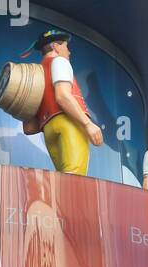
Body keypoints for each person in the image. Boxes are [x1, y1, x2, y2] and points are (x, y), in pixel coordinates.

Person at [20, 29, 103, 176]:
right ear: (56, 46)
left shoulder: (37, 73)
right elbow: (62, 96)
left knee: (63, 178)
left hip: (49, 130)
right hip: (69, 123)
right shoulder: (59, 62)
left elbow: (29, 128)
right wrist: (88, 124)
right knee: (75, 178)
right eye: (66, 46)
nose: (69, 52)